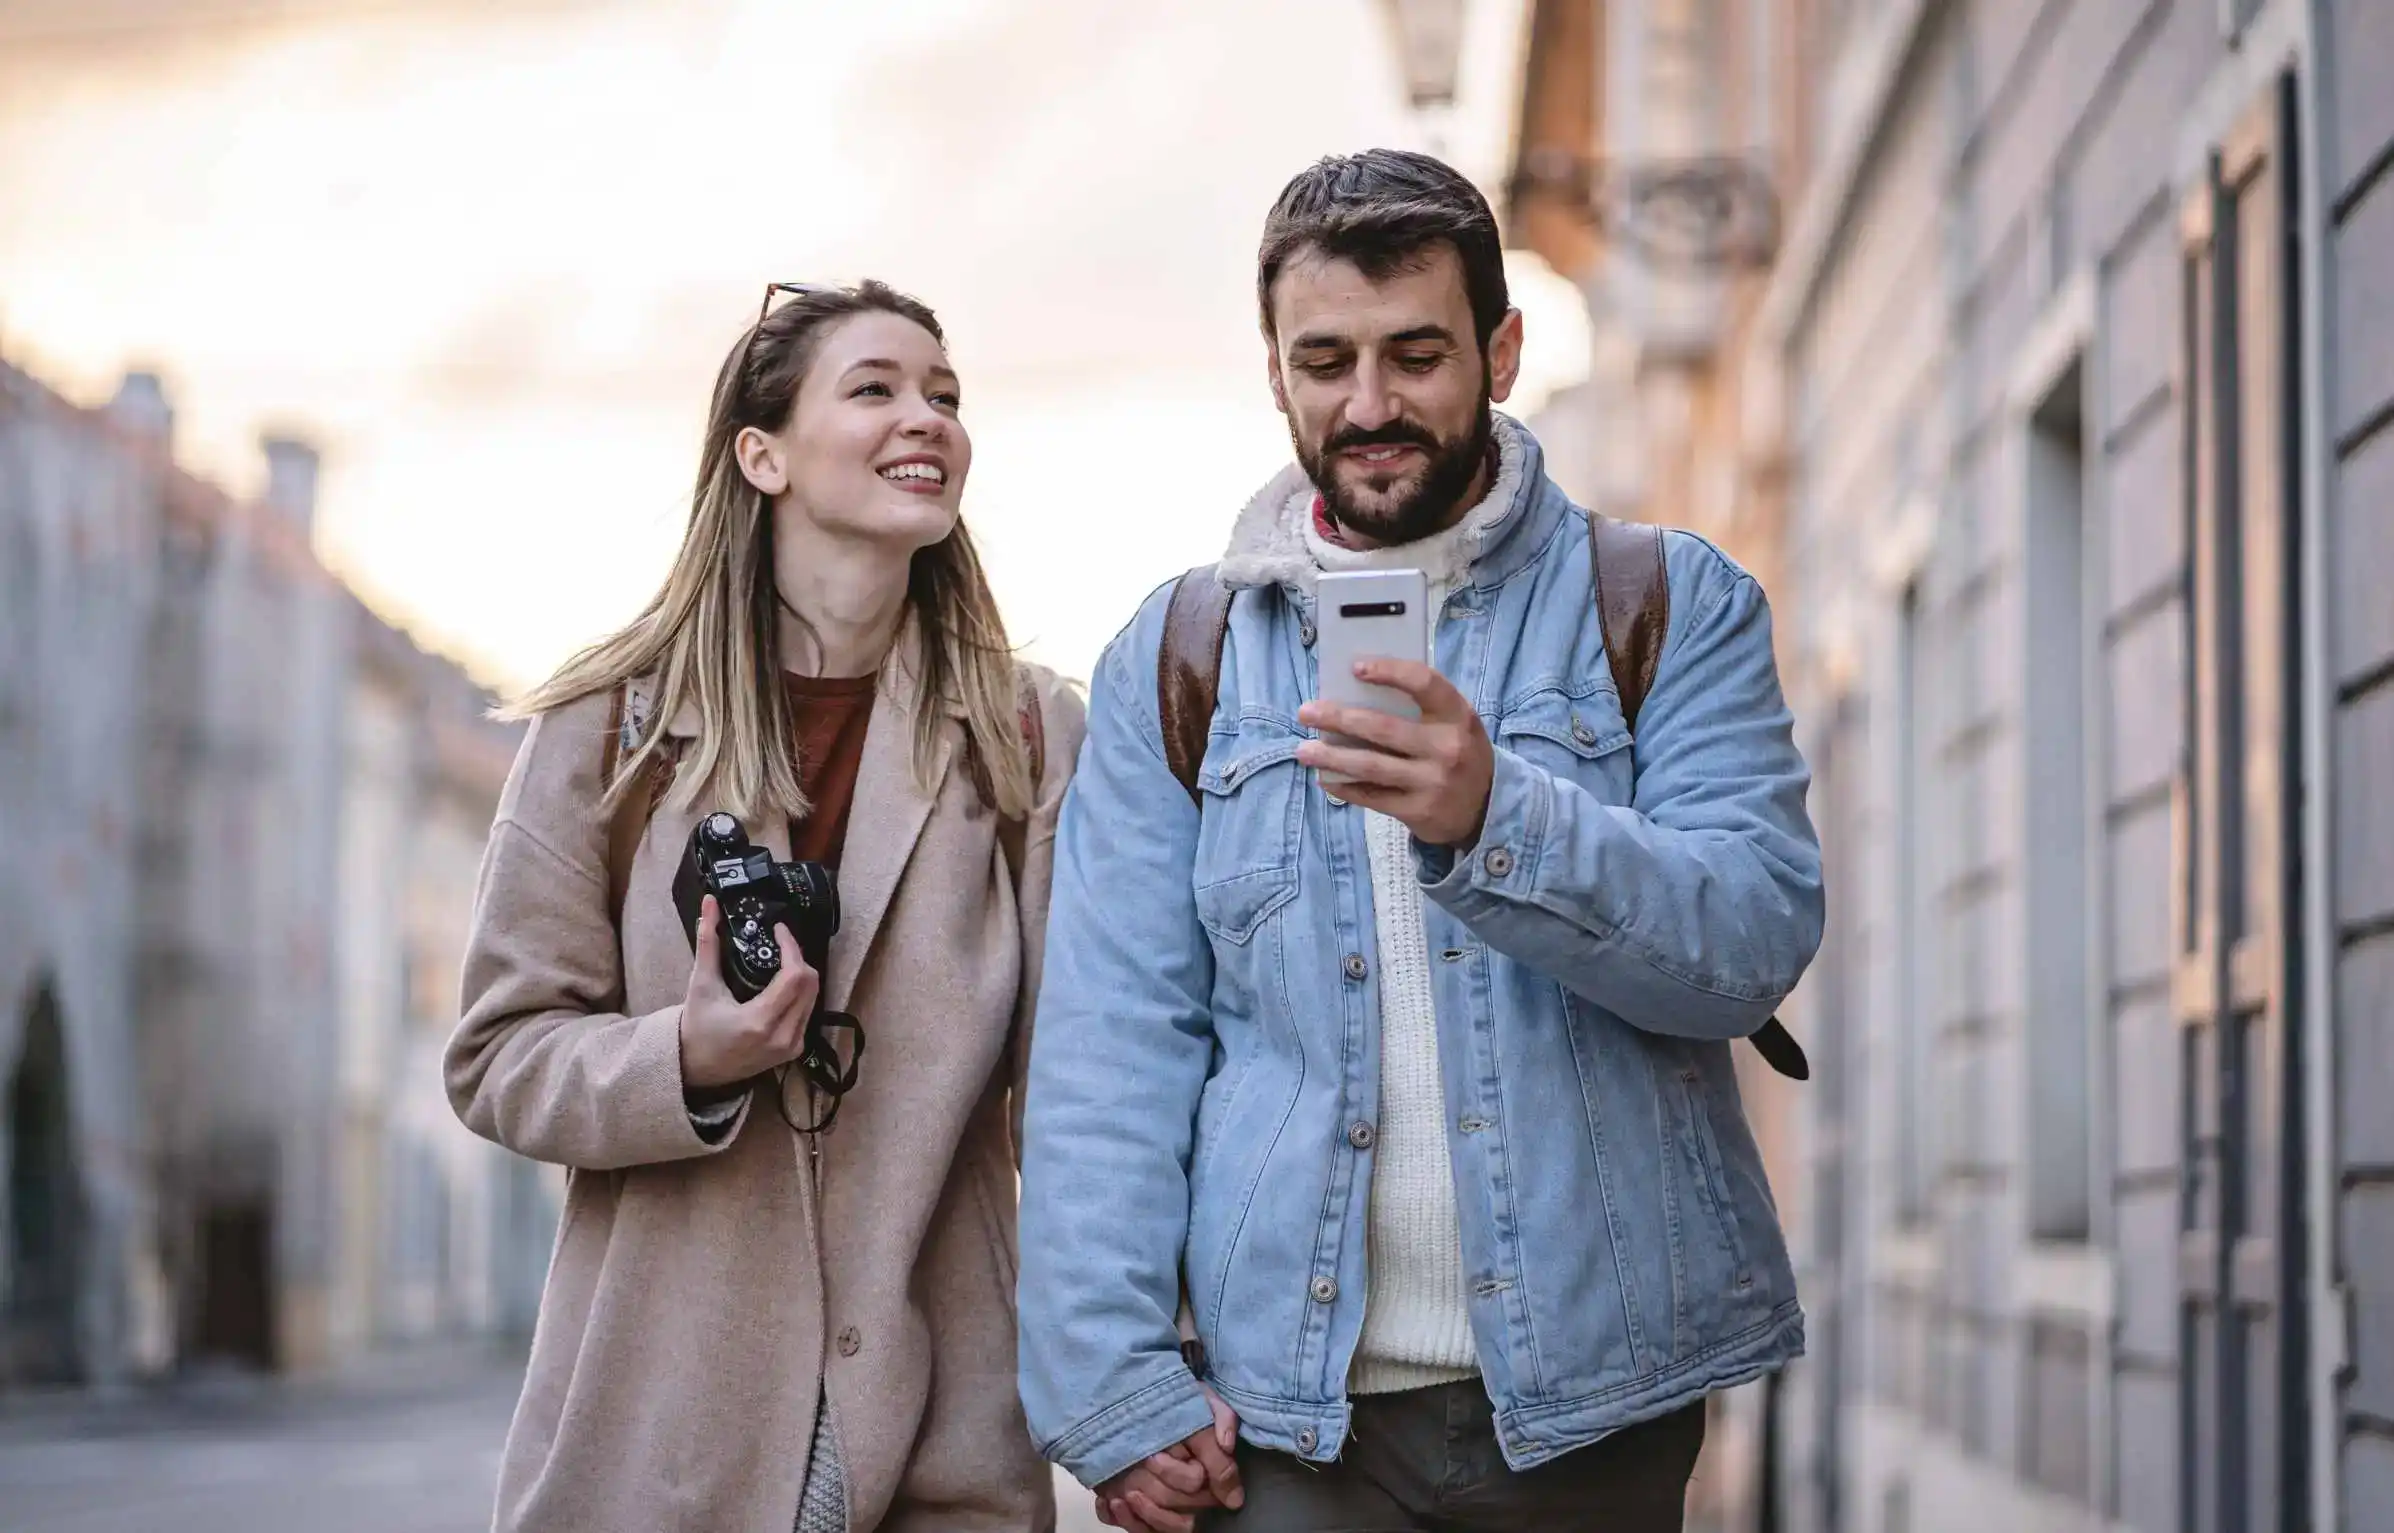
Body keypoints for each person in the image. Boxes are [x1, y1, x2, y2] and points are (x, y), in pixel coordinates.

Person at [1017, 150, 1824, 1532]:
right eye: (1322, 360)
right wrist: (1114, 1381)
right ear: (1272, 371)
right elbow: (1111, 1045)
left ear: (1500, 352)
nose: (1368, 404)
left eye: (1415, 354)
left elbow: (1748, 941)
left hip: (1597, 1406)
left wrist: (1493, 816)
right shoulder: (1178, 656)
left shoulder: (1665, 605)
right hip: (1284, 1429)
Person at [446, 280, 1080, 1533]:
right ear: (763, 453)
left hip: (940, 1438)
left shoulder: (1028, 738)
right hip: (656, 1443)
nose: (929, 419)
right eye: (878, 389)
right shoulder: (610, 728)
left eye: (946, 396)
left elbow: (1087, 1094)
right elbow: (496, 1057)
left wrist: (1142, 1366)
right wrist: (685, 1059)